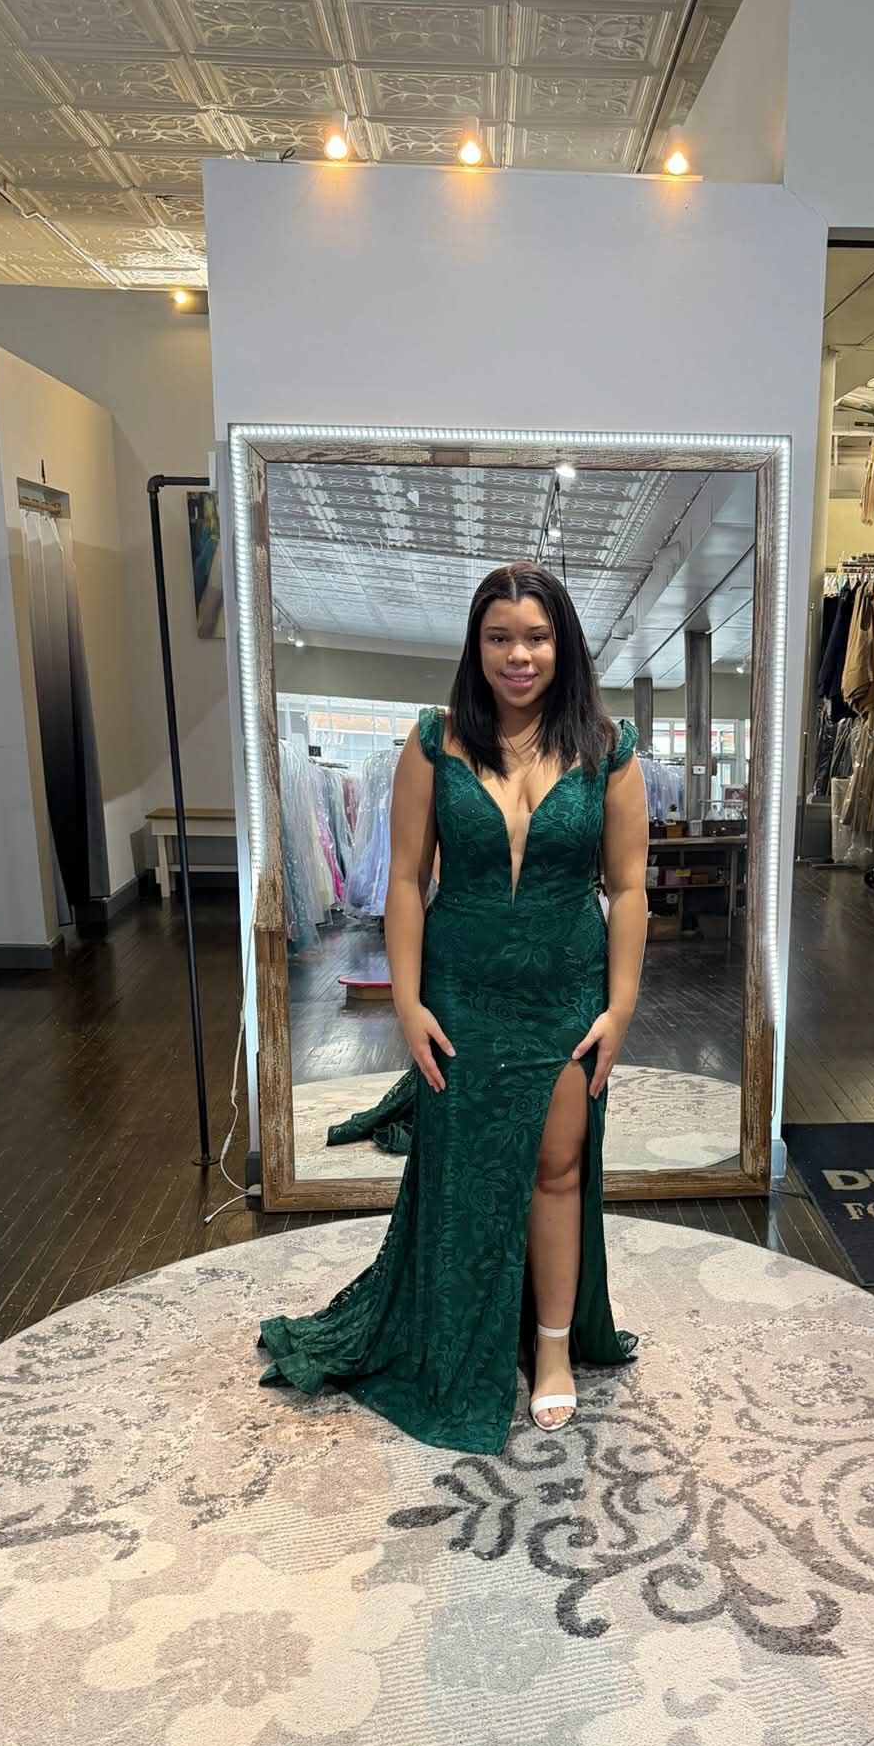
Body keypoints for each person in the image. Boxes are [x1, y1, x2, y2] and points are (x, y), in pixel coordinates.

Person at [256, 562, 649, 1452]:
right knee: (463, 1168)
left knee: (558, 1166)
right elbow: (404, 879)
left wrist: (621, 1006)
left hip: (565, 989)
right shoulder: (435, 742)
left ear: (563, 644)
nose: (519, 655)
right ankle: (458, 1331)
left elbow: (629, 889)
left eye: (537, 637)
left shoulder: (608, 749)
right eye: (500, 637)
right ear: (477, 647)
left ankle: (553, 1348)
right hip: (462, 989)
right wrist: (406, 999)